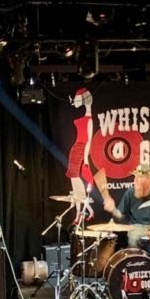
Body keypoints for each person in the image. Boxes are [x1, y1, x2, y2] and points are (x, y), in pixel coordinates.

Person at [103, 163, 150, 248]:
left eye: (140, 177)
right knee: (134, 239)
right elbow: (120, 216)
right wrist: (113, 210)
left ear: (149, 179)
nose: (135, 179)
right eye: (135, 176)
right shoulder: (130, 193)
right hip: (136, 228)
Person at [67, 88, 95, 223]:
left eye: (78, 99)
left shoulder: (89, 120)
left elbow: (89, 140)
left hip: (81, 149)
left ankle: (87, 210)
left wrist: (86, 157)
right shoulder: (85, 117)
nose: (75, 102)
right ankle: (79, 213)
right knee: (74, 182)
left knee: (77, 181)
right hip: (75, 149)